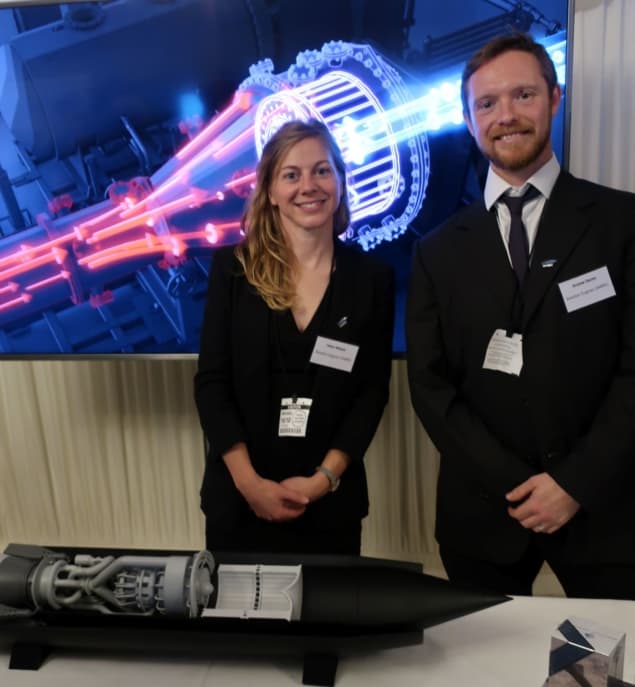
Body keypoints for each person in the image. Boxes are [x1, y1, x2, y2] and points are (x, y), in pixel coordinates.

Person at [406, 33, 635, 598]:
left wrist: (571, 483)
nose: (505, 116)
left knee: (591, 672)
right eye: (487, 104)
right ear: (467, 117)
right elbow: (431, 389)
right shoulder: (436, 251)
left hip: (602, 512)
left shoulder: (621, 223)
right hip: (483, 517)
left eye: (523, 95)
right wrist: (517, 485)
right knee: (489, 673)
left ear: (555, 99)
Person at [194, 118, 394, 555]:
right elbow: (212, 384)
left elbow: (371, 394)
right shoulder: (232, 269)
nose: (310, 186)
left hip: (330, 506)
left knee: (326, 623)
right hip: (239, 503)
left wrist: (323, 480)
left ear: (340, 181)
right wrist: (250, 485)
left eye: (322, 170)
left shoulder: (372, 279)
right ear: (269, 191)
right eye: (292, 174)